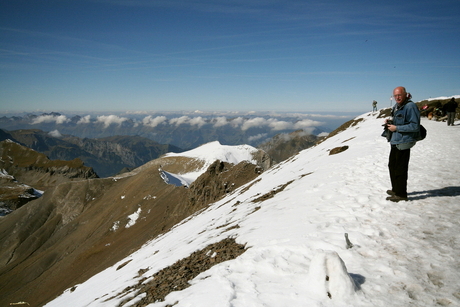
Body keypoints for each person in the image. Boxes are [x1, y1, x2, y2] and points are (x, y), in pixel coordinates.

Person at [382, 86, 420, 202]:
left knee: (400, 169)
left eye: (399, 95)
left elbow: (415, 126)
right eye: (395, 96)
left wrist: (396, 128)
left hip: (404, 142)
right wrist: (390, 122)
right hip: (395, 140)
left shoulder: (410, 106)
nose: (397, 97)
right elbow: (399, 120)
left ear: (405, 94)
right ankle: (396, 189)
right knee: (392, 166)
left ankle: (401, 194)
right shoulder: (397, 106)